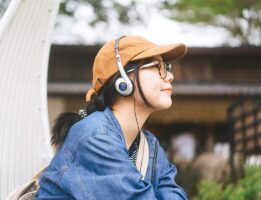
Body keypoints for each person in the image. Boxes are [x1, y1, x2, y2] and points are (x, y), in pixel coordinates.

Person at [35, 35, 188, 199]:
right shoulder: (94, 136)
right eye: (157, 66)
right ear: (123, 79)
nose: (170, 76)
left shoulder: (149, 144)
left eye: (167, 67)